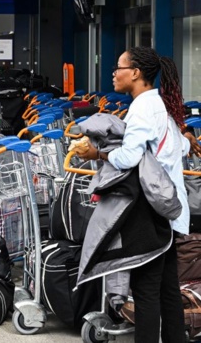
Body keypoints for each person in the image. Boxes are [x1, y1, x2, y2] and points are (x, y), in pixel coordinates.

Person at [79, 47, 198, 343]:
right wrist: (187, 140)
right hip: (167, 209)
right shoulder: (159, 103)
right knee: (167, 288)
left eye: (119, 67)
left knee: (146, 290)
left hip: (148, 211)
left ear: (135, 73)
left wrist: (97, 153)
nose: (114, 72)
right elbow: (173, 148)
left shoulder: (143, 108)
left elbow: (130, 157)